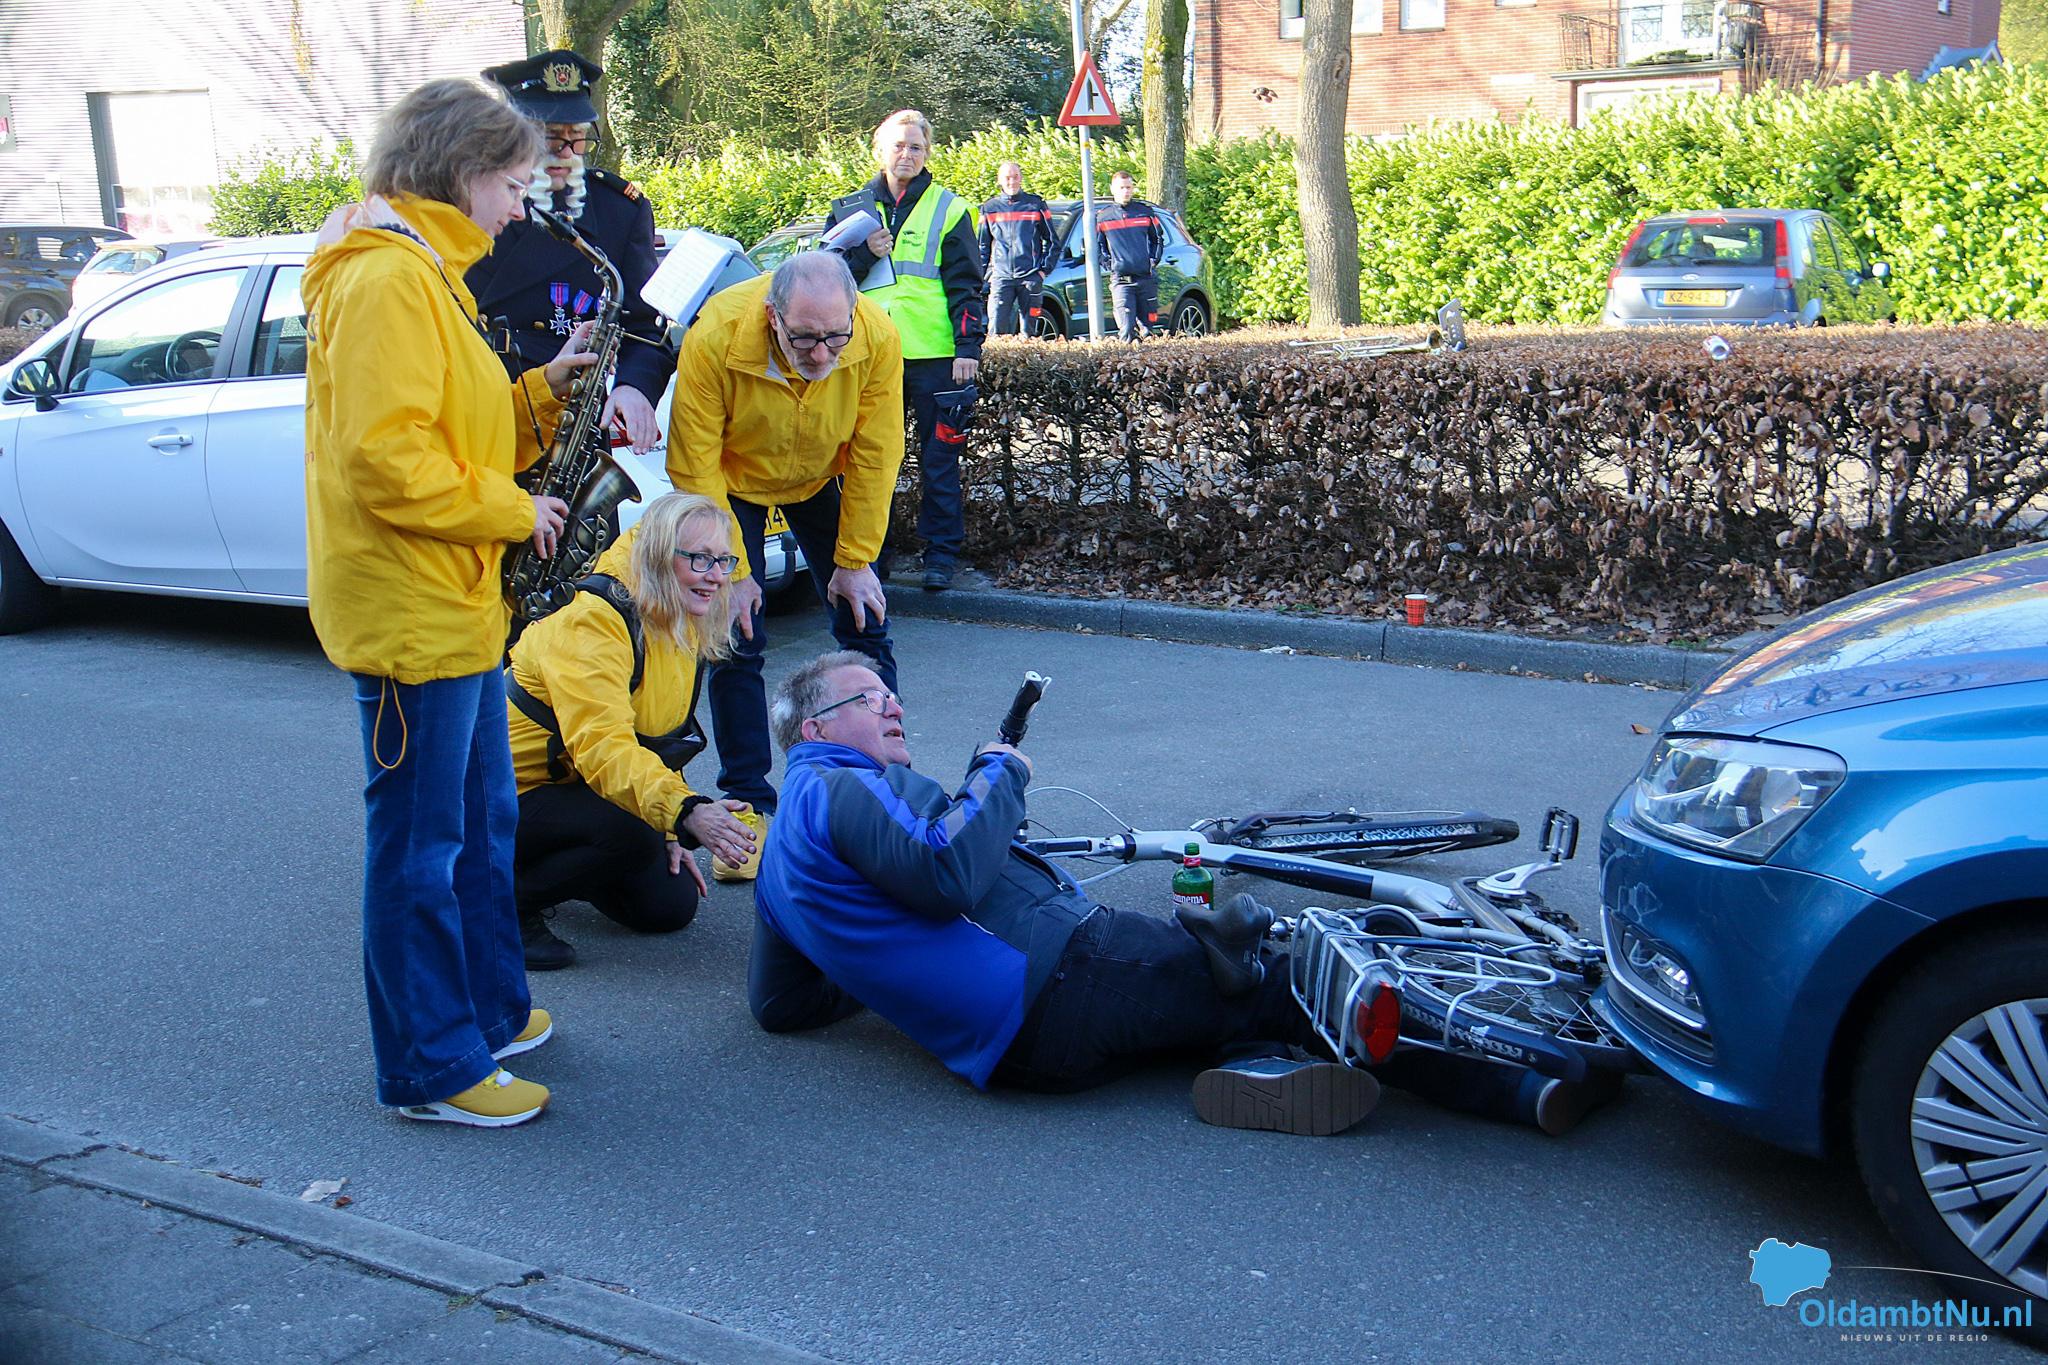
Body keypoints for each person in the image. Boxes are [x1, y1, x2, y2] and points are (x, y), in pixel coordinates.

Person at [748, 652, 1623, 1136]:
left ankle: (1247, 1058)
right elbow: (946, 872)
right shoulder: (841, 781)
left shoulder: (783, 863)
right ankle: (1531, 1080)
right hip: (1062, 970)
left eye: (893, 694)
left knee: (1220, 991)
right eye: (871, 697)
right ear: (817, 727)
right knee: (1302, 977)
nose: (894, 707)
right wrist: (998, 770)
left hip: (1021, 1049)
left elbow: (779, 1004)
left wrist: (893, 969)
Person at [305, 78, 601, 1128]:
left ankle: (485, 1012)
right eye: (513, 184)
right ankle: (430, 1069)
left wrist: (541, 394)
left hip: (455, 604)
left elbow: (451, 430)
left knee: (479, 827)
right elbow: (386, 462)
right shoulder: (388, 279)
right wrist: (516, 511)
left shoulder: (426, 270)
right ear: (461, 171)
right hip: (413, 614)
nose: (521, 207)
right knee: (420, 852)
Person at [665, 252, 903, 882]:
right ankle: (748, 805)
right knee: (735, 636)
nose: (822, 354)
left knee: (864, 618)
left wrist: (855, 561)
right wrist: (734, 571)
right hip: (734, 480)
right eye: (804, 338)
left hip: (821, 474)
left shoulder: (876, 335)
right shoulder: (715, 335)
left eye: (835, 337)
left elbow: (877, 452)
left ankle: (885, 783)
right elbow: (693, 462)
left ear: (853, 315)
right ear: (773, 317)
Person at [505, 492, 760, 970]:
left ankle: (561, 864)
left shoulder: (675, 610)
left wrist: (672, 830)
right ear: (660, 557)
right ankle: (498, 907)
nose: (716, 576)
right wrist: (684, 811)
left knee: (668, 906)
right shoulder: (594, 620)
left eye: (723, 560)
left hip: (574, 787)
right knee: (632, 834)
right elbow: (604, 749)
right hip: (502, 794)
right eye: (700, 559)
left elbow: (659, 738)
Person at [469, 49, 669, 452]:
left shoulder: (617, 209)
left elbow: (646, 327)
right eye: (549, 135)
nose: (565, 151)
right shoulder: (468, 204)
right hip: (484, 415)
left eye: (577, 136)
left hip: (575, 430)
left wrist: (633, 386)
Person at [824, 109, 986, 592]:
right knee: (870, 461)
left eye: (916, 147)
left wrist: (968, 347)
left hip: (934, 354)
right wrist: (864, 253)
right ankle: (872, 555)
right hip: (869, 355)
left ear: (927, 153)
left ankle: (940, 557)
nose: (907, 154)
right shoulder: (850, 210)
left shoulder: (949, 208)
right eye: (898, 145)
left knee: (939, 461)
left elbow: (967, 285)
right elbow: (827, 280)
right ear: (879, 150)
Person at [978, 161, 1058, 338]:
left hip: (1030, 277)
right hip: (1001, 278)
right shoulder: (989, 208)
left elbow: (1052, 241)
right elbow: (983, 247)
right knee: (996, 332)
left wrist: (1043, 271)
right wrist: (980, 278)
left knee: (1030, 335)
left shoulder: (1035, 205)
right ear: (999, 180)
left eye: (1015, 177)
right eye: (1007, 178)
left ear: (1021, 178)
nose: (1012, 181)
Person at [1095, 171, 1166, 342]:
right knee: (1126, 330)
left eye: (1128, 187)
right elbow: (1097, 246)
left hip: (1146, 278)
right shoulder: (1103, 216)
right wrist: (1110, 264)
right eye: (1121, 188)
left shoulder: (1145, 212)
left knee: (1148, 331)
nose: (1126, 191)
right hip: (1121, 281)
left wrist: (1153, 261)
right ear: (1113, 189)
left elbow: (1157, 239)